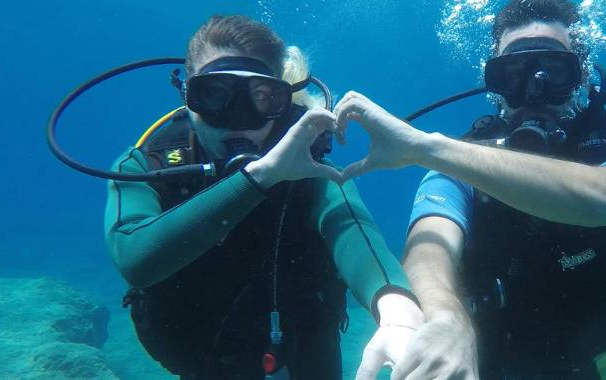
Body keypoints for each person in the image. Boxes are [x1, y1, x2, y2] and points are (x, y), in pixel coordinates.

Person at [333, 1, 606, 378]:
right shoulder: (455, 166)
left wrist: (428, 148)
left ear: (581, 76)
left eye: (553, 72)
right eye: (514, 74)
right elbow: (428, 248)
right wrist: (445, 317)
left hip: (601, 362)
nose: (533, 91)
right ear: (495, 86)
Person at [104, 15, 423, 379]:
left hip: (306, 341)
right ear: (188, 96)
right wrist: (260, 175)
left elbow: (349, 224)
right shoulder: (149, 163)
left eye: (260, 97)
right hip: (209, 353)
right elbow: (134, 256)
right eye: (215, 95)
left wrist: (399, 312)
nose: (238, 120)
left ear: (281, 102)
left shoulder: (307, 166)